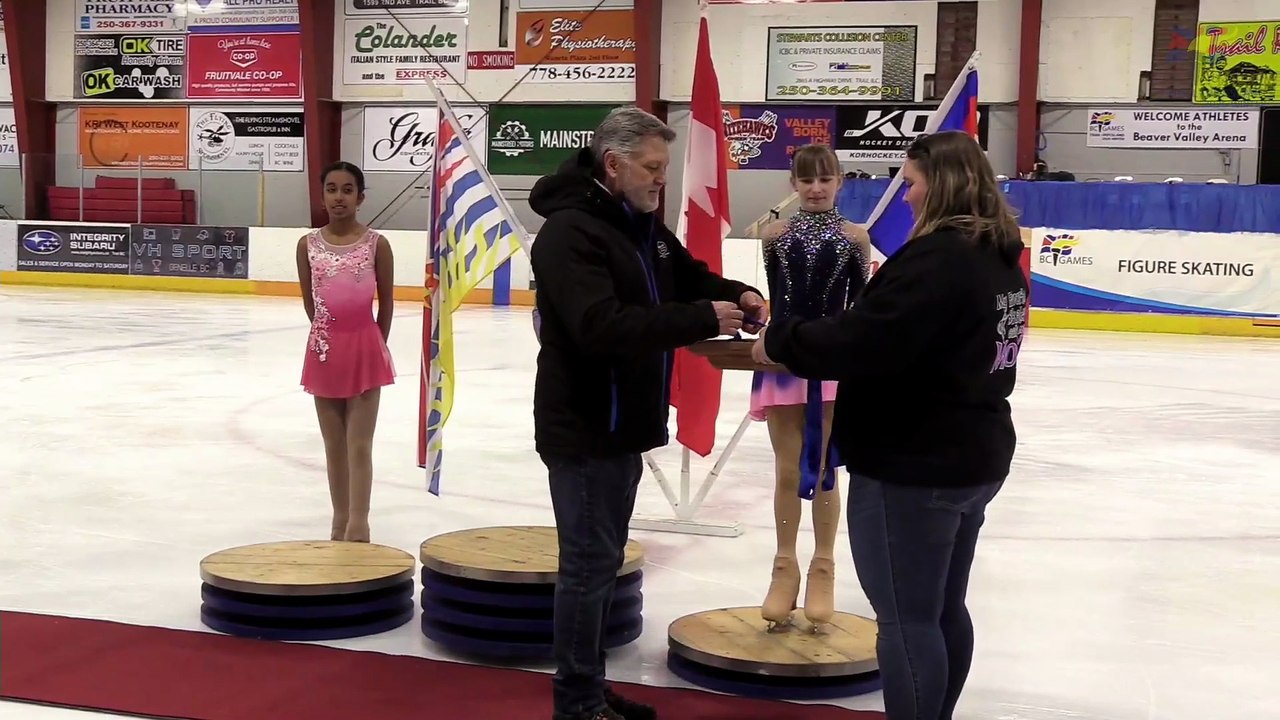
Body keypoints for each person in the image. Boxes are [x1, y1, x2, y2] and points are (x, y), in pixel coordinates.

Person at [752, 130, 1028, 720]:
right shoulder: (995, 256)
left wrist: (783, 339)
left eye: (911, 182)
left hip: (915, 461)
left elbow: (864, 339)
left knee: (906, 620)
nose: (905, 195)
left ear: (943, 183)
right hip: (972, 453)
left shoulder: (939, 260)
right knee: (942, 609)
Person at [528, 106, 765, 720]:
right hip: (583, 426)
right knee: (586, 565)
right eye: (653, 168)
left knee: (603, 561)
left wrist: (734, 293)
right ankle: (576, 702)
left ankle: (591, 685)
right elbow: (597, 326)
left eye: (665, 168)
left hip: (622, 426)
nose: (662, 180)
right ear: (614, 165)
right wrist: (701, 319)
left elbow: (685, 275)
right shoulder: (570, 233)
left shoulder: (641, 227)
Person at [750, 144, 870, 630]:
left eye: (825, 179)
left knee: (823, 468)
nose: (816, 188)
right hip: (785, 363)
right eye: (806, 180)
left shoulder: (855, 238)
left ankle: (823, 565)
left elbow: (861, 308)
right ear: (794, 185)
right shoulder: (773, 235)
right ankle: (784, 566)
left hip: (834, 364)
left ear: (840, 181)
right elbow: (779, 299)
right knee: (785, 469)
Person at [296, 161, 396, 544]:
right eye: (332, 189)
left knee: (359, 444)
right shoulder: (307, 245)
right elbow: (311, 303)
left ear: (360, 197)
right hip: (323, 348)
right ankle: (338, 519)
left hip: (364, 348)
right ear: (322, 195)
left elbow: (385, 304)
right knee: (333, 444)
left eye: (348, 189)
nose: (339, 197)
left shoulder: (376, 244)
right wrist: (327, 336)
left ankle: (359, 522)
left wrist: (373, 343)